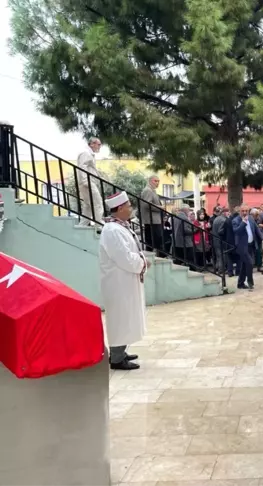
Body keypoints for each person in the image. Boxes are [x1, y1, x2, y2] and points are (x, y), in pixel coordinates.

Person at [99, 192, 147, 371]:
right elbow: (124, 257)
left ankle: (121, 351)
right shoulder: (112, 230)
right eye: (128, 205)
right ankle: (117, 358)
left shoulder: (119, 228)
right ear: (119, 208)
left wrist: (140, 260)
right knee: (120, 319)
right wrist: (142, 262)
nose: (130, 209)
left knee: (127, 318)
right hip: (118, 283)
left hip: (125, 280)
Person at [232, 204, 263, 290]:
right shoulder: (236, 220)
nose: (244, 213)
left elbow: (257, 229)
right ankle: (250, 283)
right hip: (241, 247)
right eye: (242, 211)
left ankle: (240, 283)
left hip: (250, 245)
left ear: (248, 211)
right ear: (240, 211)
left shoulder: (250, 218)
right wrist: (243, 222)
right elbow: (237, 231)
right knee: (250, 263)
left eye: (246, 211)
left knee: (244, 264)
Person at [76, 137, 104, 226]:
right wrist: (85, 181)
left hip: (87, 182)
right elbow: (82, 166)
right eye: (98, 144)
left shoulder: (89, 154)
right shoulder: (86, 153)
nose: (100, 146)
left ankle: (81, 227)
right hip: (87, 182)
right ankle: (98, 226)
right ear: (92, 144)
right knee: (98, 203)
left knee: (88, 206)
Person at [139, 175, 164, 257]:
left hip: (154, 220)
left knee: (155, 241)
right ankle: (156, 257)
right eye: (155, 181)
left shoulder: (152, 191)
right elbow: (147, 204)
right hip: (152, 220)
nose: (157, 183)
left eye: (158, 181)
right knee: (155, 241)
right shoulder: (148, 191)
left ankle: (156, 257)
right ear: (150, 181)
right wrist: (159, 207)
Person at [210, 207, 227, 273]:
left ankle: (216, 268)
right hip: (221, 240)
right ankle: (221, 270)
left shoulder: (216, 219)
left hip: (215, 240)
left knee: (218, 256)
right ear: (223, 212)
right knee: (222, 256)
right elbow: (221, 231)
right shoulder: (223, 220)